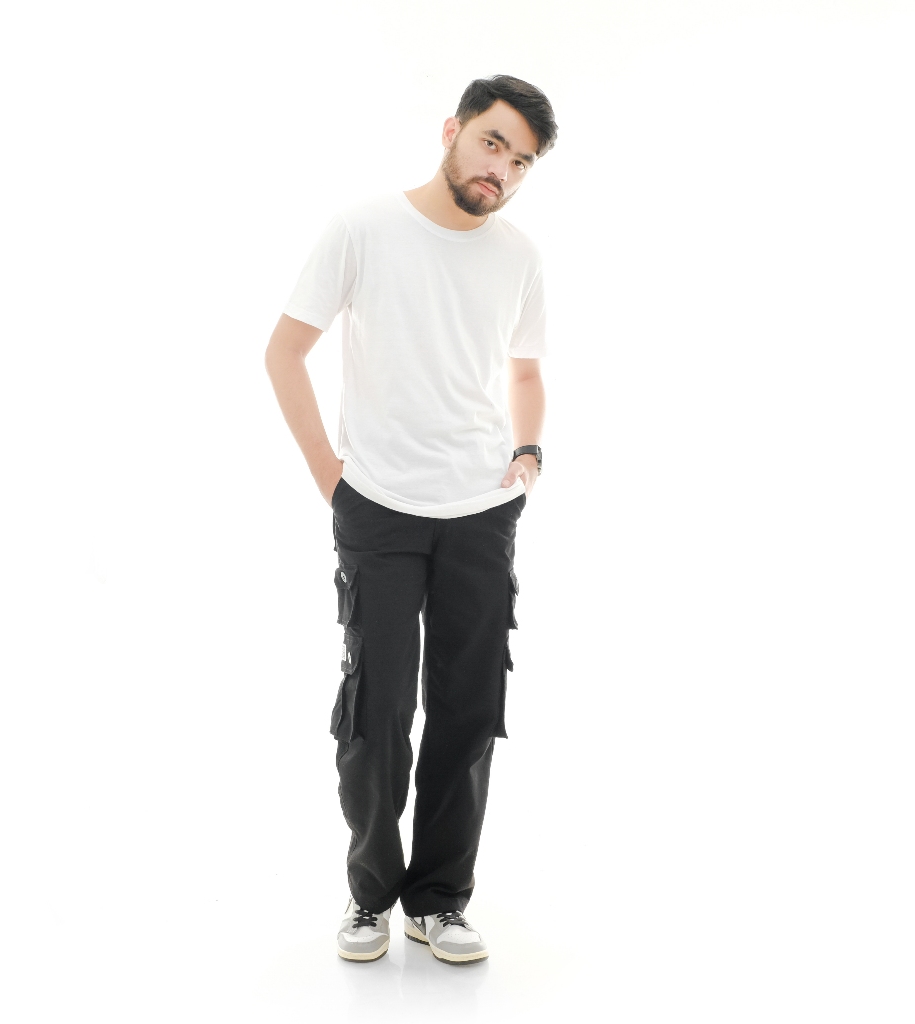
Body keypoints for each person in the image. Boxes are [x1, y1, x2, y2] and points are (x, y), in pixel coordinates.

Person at [264, 74, 557, 965]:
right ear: (452, 130)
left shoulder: (518, 256)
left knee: (468, 712)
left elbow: (526, 371)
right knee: (377, 711)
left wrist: (529, 455)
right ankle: (370, 896)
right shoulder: (364, 228)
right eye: (492, 143)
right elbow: (284, 352)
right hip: (379, 508)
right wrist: (331, 479)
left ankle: (439, 901)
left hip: (482, 512)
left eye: (521, 161)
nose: (501, 169)